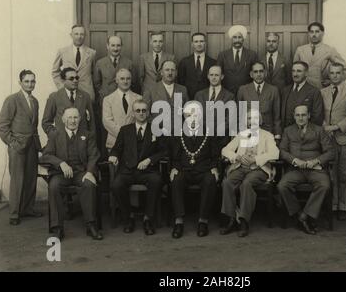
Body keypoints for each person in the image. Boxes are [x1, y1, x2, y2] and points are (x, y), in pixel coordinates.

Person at [39, 107, 103, 240]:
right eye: (69, 117)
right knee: (54, 186)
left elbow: (94, 155)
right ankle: (57, 228)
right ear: (63, 120)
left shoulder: (87, 134)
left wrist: (90, 171)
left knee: (89, 184)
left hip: (81, 172)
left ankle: (91, 225)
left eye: (75, 117)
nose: (72, 121)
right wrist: (61, 163)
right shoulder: (55, 135)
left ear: (80, 119)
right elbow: (46, 156)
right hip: (60, 174)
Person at [109, 100, 167, 235]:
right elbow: (116, 148)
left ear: (147, 112)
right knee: (116, 185)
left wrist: (150, 160)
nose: (141, 113)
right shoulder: (125, 130)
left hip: (147, 171)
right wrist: (113, 155)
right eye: (138, 111)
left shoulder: (156, 129)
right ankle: (128, 217)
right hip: (128, 170)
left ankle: (148, 218)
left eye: (144, 110)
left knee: (157, 181)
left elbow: (164, 151)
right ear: (133, 113)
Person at [220, 109, 279, 237]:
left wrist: (256, 159)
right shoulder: (242, 134)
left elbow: (275, 153)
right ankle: (231, 219)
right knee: (227, 182)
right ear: (246, 122)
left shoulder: (267, 135)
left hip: (259, 169)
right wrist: (237, 157)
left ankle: (243, 220)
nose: (252, 122)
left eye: (255, 119)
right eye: (249, 119)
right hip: (241, 167)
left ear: (260, 121)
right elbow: (225, 150)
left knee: (246, 184)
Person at [277, 105, 335, 235]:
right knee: (282, 186)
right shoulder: (288, 131)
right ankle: (299, 214)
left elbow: (331, 151)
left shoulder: (319, 130)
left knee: (325, 185)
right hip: (295, 169)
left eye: (303, 115)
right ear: (294, 116)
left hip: (315, 169)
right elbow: (282, 151)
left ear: (308, 115)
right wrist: (294, 160)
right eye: (298, 115)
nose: (300, 118)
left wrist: (316, 161)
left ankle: (306, 215)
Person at [0, 70, 42, 225]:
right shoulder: (12, 100)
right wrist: (12, 142)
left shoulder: (35, 101)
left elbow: (34, 126)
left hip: (32, 146)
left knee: (31, 178)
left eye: (33, 81)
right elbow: (2, 125)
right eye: (27, 81)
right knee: (17, 179)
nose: (30, 84)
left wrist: (38, 146)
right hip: (17, 146)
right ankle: (14, 213)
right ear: (20, 82)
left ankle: (28, 208)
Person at [169, 102, 219, 238]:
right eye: (189, 114)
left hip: (204, 170)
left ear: (201, 116)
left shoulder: (209, 132)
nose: (192, 117)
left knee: (210, 180)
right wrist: (174, 167)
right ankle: (178, 221)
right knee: (176, 179)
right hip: (184, 170)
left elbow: (215, 154)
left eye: (195, 114)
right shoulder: (179, 133)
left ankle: (203, 221)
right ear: (184, 116)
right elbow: (175, 155)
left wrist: (214, 167)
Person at [321, 63, 346, 220]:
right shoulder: (322, 92)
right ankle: (333, 205)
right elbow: (318, 112)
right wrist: (325, 127)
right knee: (331, 174)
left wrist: (336, 127)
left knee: (345, 174)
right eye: (332, 73)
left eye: (337, 73)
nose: (334, 76)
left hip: (345, 138)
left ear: (343, 74)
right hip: (328, 139)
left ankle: (344, 206)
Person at [293, 21, 346, 89]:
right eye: (311, 32)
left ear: (322, 33)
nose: (314, 34)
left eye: (317, 31)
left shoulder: (329, 50)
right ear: (308, 33)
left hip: (321, 88)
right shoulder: (300, 50)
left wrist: (332, 81)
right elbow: (294, 70)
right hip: (304, 88)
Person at [42, 67, 95, 137]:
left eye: (77, 78)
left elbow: (91, 123)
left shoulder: (85, 97)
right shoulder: (54, 97)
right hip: (62, 142)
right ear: (63, 81)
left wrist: (90, 139)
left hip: (82, 142)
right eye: (71, 78)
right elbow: (46, 122)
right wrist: (55, 136)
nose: (75, 81)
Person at [237, 61, 282, 144]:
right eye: (255, 72)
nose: (258, 74)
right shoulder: (243, 90)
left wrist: (277, 135)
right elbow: (240, 115)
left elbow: (277, 116)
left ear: (265, 73)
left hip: (267, 132)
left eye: (261, 71)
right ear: (251, 74)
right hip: (248, 132)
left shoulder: (273, 90)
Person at [194, 65, 235, 149]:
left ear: (222, 77)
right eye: (211, 75)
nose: (214, 78)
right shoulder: (199, 95)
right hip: (202, 138)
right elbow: (195, 116)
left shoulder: (229, 96)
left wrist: (216, 131)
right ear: (208, 76)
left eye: (216, 75)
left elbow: (230, 119)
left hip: (220, 138)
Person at [52, 24, 97, 100]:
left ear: (85, 36)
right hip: (69, 92)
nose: (79, 37)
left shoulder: (92, 53)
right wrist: (62, 86)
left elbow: (94, 73)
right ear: (71, 35)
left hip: (87, 92)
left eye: (82, 34)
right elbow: (55, 71)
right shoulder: (62, 51)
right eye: (76, 34)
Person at [143, 60, 188, 135]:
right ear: (161, 72)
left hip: (178, 134)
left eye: (172, 70)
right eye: (167, 70)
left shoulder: (183, 89)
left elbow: (187, 112)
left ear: (176, 73)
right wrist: (156, 127)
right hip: (158, 133)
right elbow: (145, 112)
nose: (170, 73)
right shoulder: (151, 89)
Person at [102, 68, 142, 151]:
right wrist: (124, 135)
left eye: (128, 79)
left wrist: (131, 137)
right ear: (116, 80)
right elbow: (107, 122)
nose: (125, 81)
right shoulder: (108, 99)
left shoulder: (138, 98)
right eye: (122, 79)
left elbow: (141, 120)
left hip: (134, 142)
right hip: (114, 142)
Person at [94, 35, 140, 100]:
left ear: (121, 46)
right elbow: (96, 84)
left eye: (118, 45)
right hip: (106, 98)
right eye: (113, 45)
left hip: (124, 99)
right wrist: (103, 92)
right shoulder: (100, 63)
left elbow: (134, 83)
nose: (115, 49)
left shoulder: (129, 63)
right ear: (107, 46)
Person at [281, 61, 323, 129]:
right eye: (293, 71)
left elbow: (317, 118)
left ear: (306, 73)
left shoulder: (314, 92)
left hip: (303, 135)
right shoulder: (285, 90)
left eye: (299, 71)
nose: (295, 74)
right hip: (285, 134)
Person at [217, 25, 258, 95]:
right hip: (227, 93)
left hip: (247, 93)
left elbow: (256, 74)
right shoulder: (223, 55)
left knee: (244, 106)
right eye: (235, 37)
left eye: (239, 37)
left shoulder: (252, 54)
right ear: (231, 39)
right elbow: (218, 74)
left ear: (243, 39)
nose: (237, 40)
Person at [178, 32, 217, 100]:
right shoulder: (184, 62)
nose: (199, 44)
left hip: (207, 99)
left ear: (205, 43)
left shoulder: (213, 62)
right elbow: (180, 83)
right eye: (196, 41)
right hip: (188, 99)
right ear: (192, 44)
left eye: (201, 41)